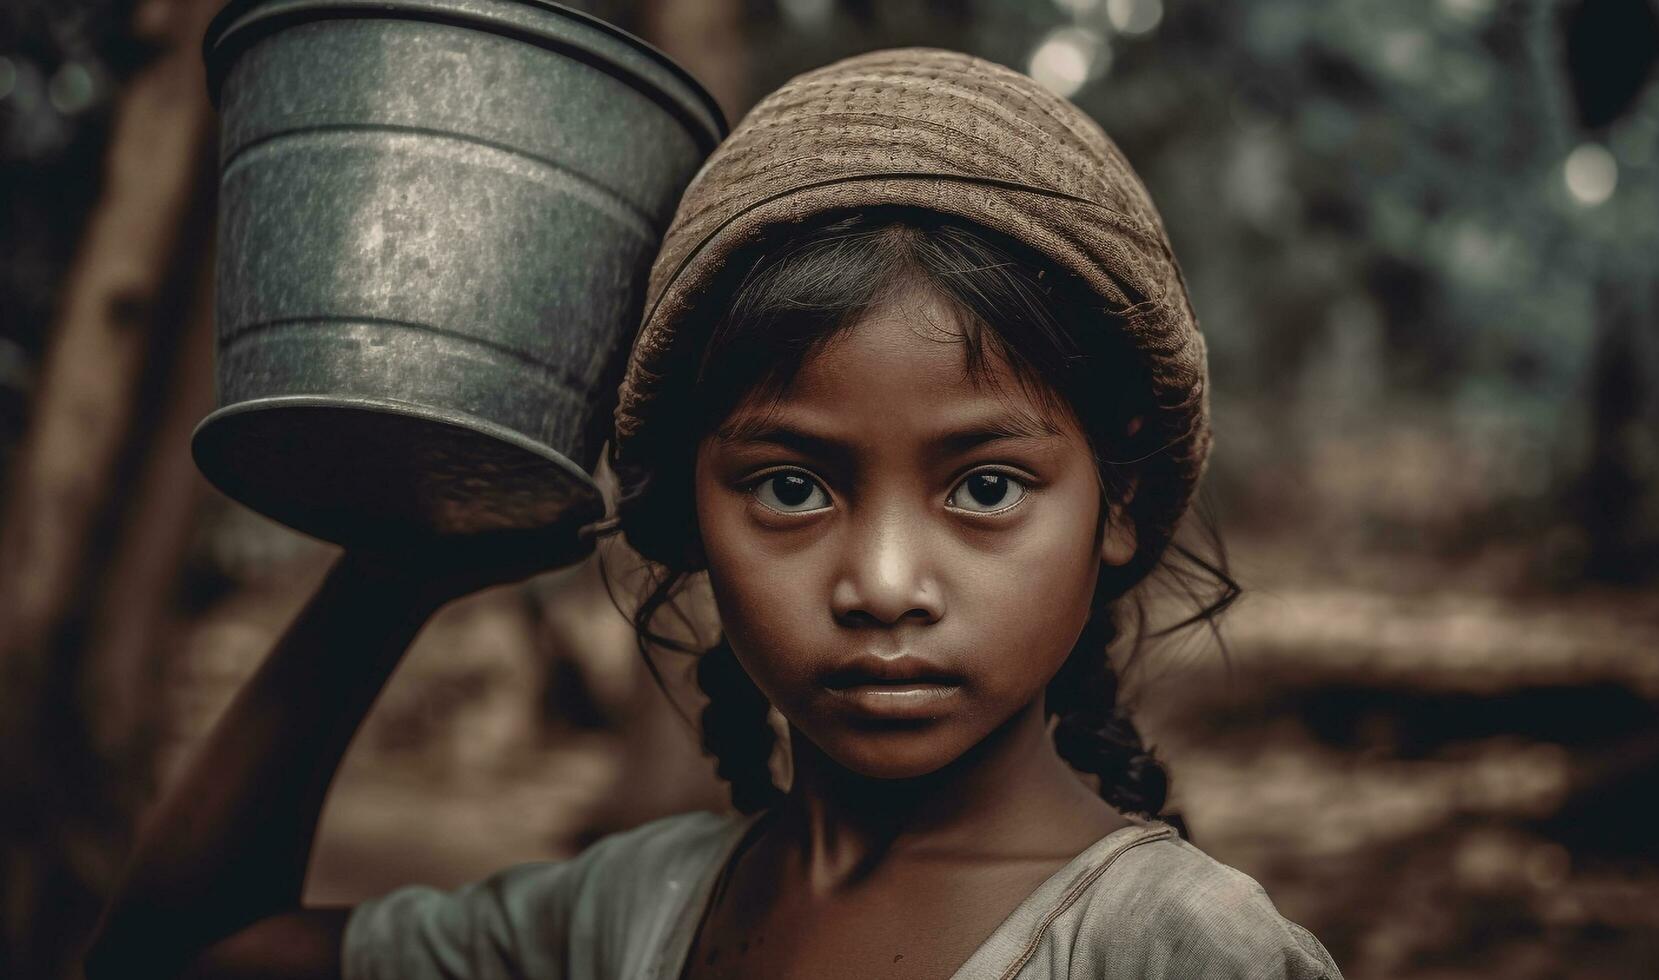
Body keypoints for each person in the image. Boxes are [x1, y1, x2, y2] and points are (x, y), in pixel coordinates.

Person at [85, 48, 1343, 980]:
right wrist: (395, 566)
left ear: (1115, 500)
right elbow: (181, 956)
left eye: (985, 486)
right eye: (792, 486)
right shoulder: (634, 912)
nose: (885, 582)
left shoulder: (1171, 948)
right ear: (685, 509)